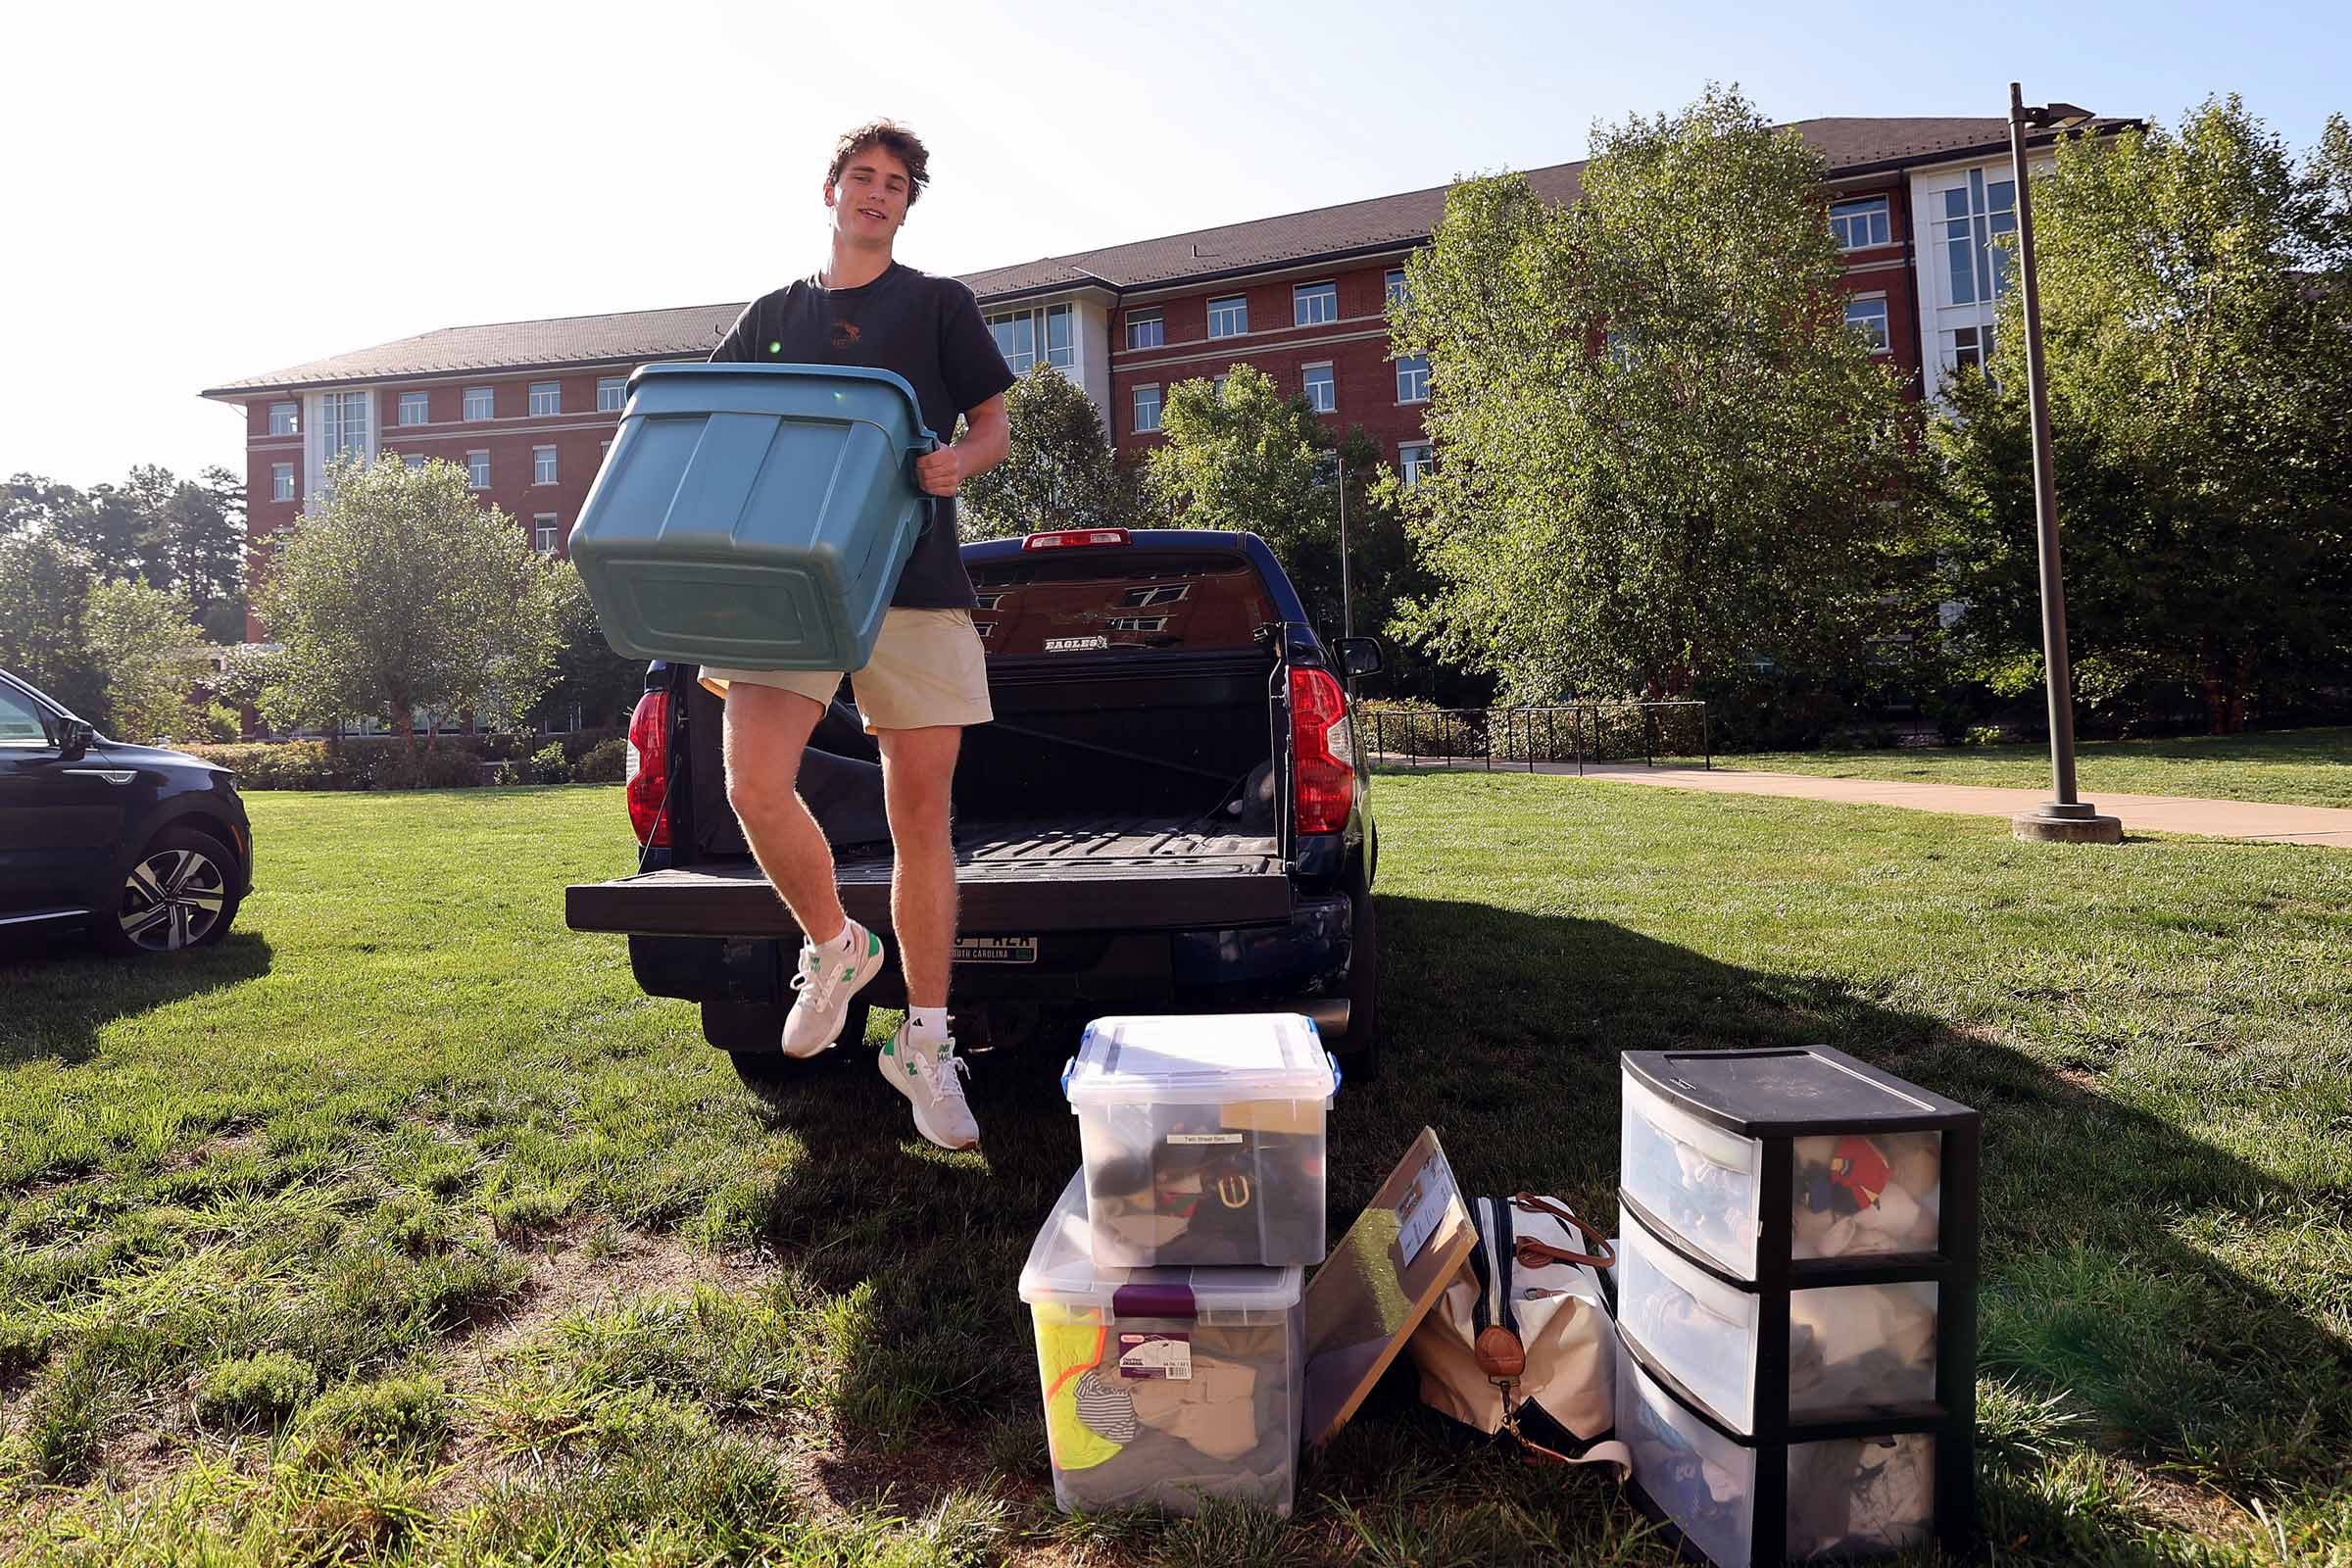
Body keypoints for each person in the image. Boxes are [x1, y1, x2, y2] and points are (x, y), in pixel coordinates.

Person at [700, 120, 1014, 1152]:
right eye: (863, 178)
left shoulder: (937, 305)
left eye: (896, 185)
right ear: (829, 189)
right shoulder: (775, 314)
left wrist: (957, 465)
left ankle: (926, 1040)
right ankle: (835, 944)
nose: (877, 195)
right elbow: (718, 419)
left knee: (920, 811)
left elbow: (992, 423)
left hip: (912, 575)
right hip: (791, 581)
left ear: (907, 205)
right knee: (753, 780)